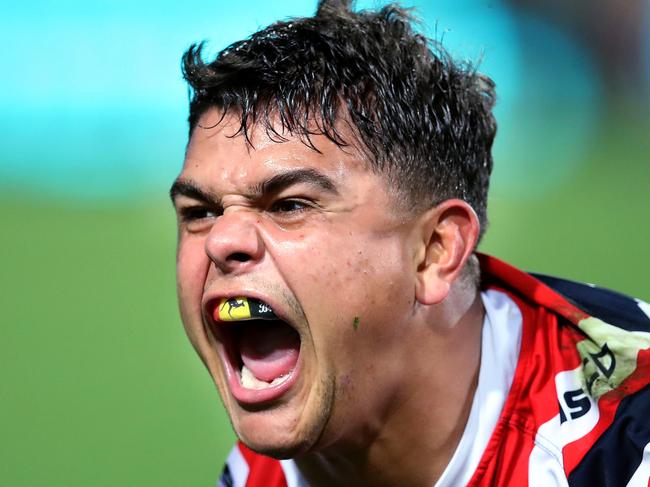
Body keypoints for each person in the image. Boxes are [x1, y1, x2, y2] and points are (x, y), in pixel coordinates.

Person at [169, 0, 650, 485]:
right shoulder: (257, 471)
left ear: (434, 252)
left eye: (289, 205)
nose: (221, 240)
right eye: (199, 213)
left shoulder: (622, 450)